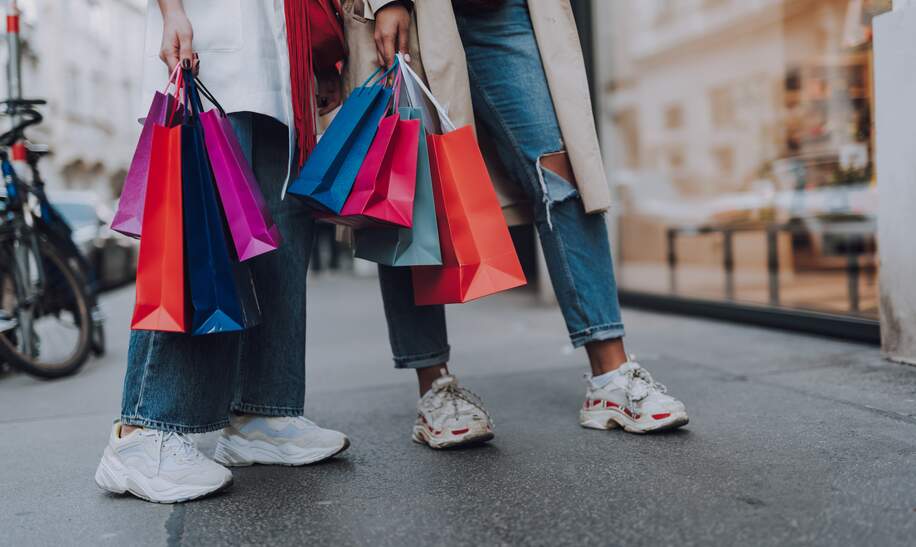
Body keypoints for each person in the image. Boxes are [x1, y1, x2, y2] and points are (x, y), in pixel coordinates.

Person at [343, 0, 689, 448]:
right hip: (416, 9)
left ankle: (611, 375)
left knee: (560, 173)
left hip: (503, 13)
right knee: (407, 185)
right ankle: (435, 388)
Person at [93, 0, 376, 503]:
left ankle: (262, 413)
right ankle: (144, 433)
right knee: (202, 231)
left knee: (278, 234)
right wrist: (171, 11)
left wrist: (314, 53)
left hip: (278, 62)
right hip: (210, 44)